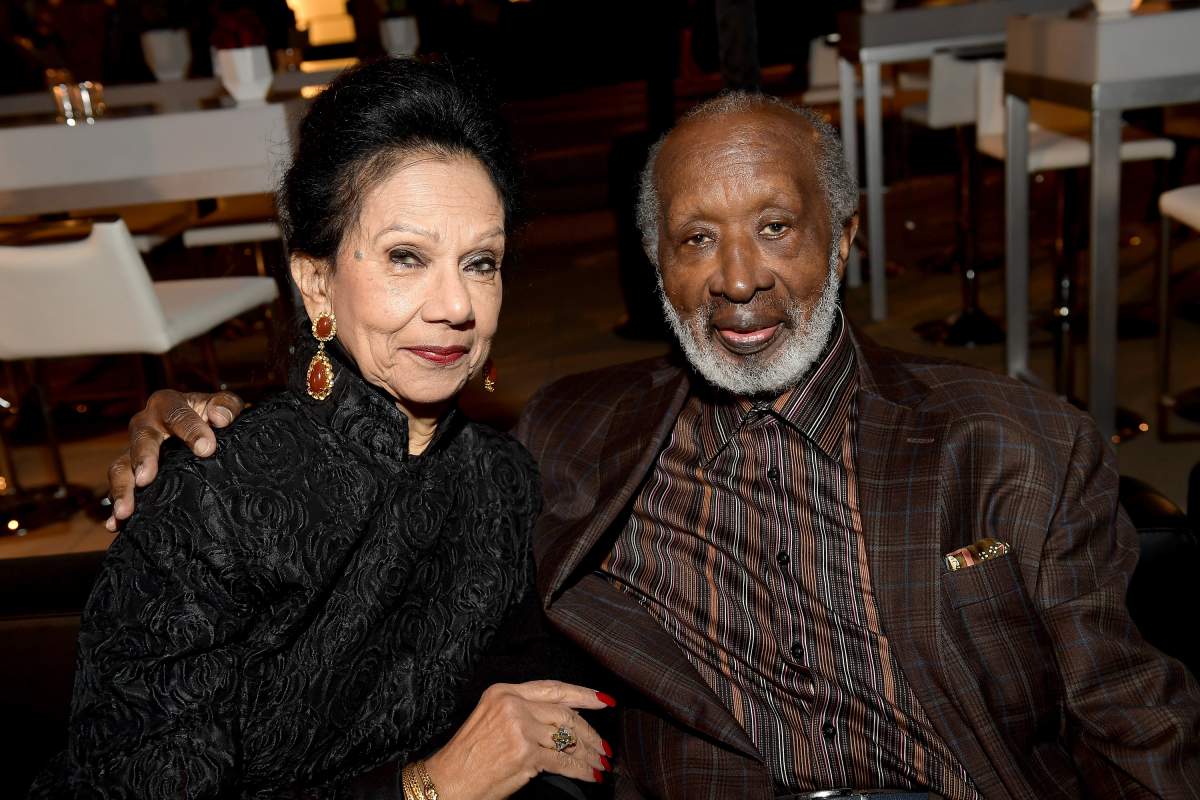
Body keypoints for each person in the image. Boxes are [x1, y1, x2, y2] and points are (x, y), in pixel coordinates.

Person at [107, 93, 1200, 799]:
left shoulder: (1015, 441)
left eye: (776, 227)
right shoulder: (571, 440)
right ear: (655, 267)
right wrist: (197, 431)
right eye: (695, 239)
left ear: (844, 240)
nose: (738, 279)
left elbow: (1133, 720)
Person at [35, 58, 614, 800]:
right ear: (315, 281)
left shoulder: (501, 481)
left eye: (480, 262)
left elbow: (537, 711)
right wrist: (428, 787)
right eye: (406, 257)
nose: (456, 306)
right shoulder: (213, 495)